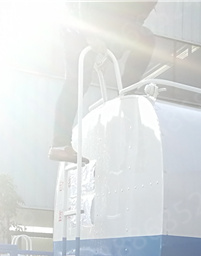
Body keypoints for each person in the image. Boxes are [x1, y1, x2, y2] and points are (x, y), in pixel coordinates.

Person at [49, 1, 157, 163]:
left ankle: (127, 93)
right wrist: (91, 36)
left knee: (145, 38)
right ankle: (60, 144)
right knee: (77, 82)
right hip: (79, 24)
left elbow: (135, 22)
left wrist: (110, 52)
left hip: (104, 25)